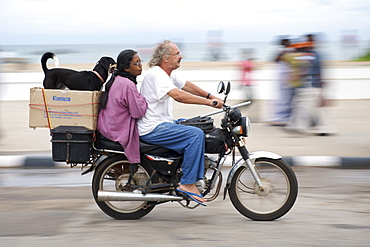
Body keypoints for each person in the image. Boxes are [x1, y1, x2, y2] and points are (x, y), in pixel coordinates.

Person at [138, 40, 224, 206]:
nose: (181, 56)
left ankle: (182, 170)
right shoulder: (157, 75)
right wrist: (209, 103)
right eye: (177, 54)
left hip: (163, 122)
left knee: (197, 125)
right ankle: (187, 182)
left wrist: (210, 96)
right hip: (152, 128)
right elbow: (179, 95)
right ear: (165, 57)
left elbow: (186, 86)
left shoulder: (168, 73)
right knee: (195, 135)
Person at [98, 49, 148, 165]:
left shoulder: (117, 79)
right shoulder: (127, 84)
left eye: (140, 62)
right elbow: (138, 112)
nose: (140, 66)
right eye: (136, 63)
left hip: (106, 127)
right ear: (126, 68)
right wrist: (145, 101)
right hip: (116, 130)